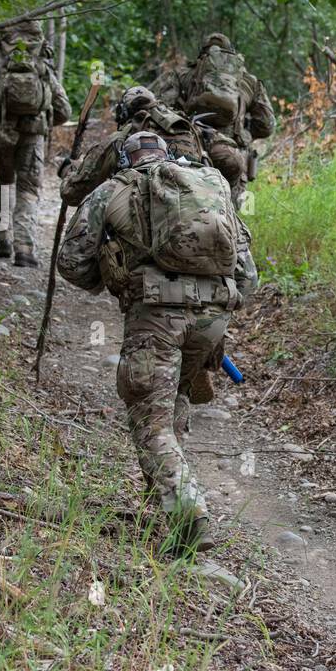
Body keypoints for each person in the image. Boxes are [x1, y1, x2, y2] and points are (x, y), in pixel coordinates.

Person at [56, 131, 258, 551]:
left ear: (125, 160)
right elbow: (248, 274)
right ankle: (162, 512)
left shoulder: (114, 188)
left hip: (155, 319)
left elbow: (72, 263)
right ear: (167, 156)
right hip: (213, 319)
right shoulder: (212, 185)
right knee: (175, 399)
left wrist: (116, 279)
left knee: (150, 419)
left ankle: (192, 519)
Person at [0, 19, 71, 267]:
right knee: (27, 190)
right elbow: (64, 110)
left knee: (5, 182)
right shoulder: (42, 67)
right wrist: (42, 124)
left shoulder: (0, 66)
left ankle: (3, 242)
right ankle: (25, 250)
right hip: (33, 136)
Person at [153, 33, 274, 207]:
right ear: (230, 53)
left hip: (190, 151)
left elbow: (161, 112)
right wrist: (243, 132)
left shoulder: (183, 75)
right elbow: (267, 125)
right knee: (232, 215)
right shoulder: (250, 82)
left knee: (188, 209)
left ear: (202, 55)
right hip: (232, 154)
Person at [59, 86, 205, 209]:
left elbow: (73, 194)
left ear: (122, 112)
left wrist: (69, 171)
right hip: (193, 215)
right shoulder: (189, 131)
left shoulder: (121, 138)